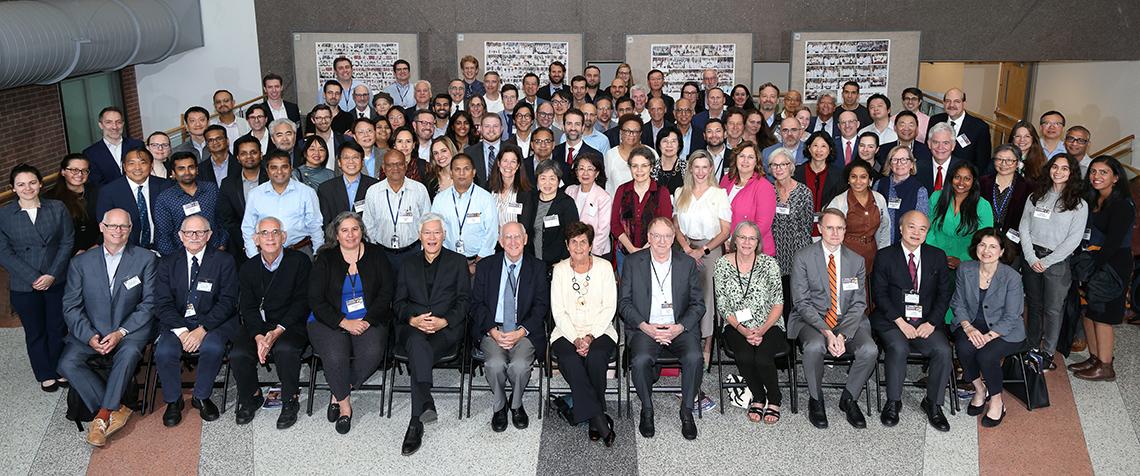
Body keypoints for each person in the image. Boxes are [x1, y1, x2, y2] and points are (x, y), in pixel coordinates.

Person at [58, 208, 156, 447]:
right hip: (90, 331)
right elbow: (71, 306)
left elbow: (150, 302)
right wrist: (90, 335)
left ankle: (102, 416)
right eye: (112, 226)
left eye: (124, 226)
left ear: (131, 230)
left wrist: (121, 332)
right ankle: (116, 409)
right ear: (102, 227)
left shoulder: (146, 258)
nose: (118, 231)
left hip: (129, 331)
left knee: (129, 354)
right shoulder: (80, 262)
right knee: (66, 363)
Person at [789, 209, 878, 430]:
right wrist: (828, 333)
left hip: (847, 320)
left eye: (840, 228)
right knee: (814, 347)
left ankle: (849, 398)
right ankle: (815, 399)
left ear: (846, 230)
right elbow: (801, 302)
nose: (835, 233)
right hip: (812, 319)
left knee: (869, 350)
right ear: (820, 229)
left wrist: (842, 334)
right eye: (830, 227)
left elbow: (859, 303)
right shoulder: (803, 257)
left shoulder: (856, 261)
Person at [308, 211, 394, 434]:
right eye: (344, 230)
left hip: (369, 317)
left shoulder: (376, 254)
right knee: (335, 356)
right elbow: (316, 300)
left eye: (355, 229)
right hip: (329, 319)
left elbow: (386, 292)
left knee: (372, 352)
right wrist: (343, 322)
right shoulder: (325, 258)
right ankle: (346, 408)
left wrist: (367, 320)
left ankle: (338, 391)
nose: (350, 234)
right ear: (336, 235)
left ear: (362, 231)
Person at [620, 217, 705, 440]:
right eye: (656, 236)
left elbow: (698, 304)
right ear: (648, 238)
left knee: (695, 357)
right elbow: (624, 303)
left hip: (679, 328)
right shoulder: (632, 262)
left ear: (673, 239)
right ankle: (647, 409)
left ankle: (686, 411)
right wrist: (645, 327)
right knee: (639, 361)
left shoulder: (686, 264)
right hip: (645, 328)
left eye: (667, 236)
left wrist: (680, 327)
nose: (661, 241)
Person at [393, 213, 471, 455]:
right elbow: (398, 303)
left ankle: (417, 418)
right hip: (413, 328)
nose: (432, 237)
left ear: (444, 235)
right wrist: (413, 320)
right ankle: (421, 410)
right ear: (419, 236)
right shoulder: (407, 264)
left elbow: (465, 301)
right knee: (417, 342)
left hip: (445, 330)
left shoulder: (458, 262)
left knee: (419, 350)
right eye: (427, 232)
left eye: (437, 232)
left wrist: (444, 321)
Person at [870, 211, 953, 431]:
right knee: (898, 347)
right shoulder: (885, 256)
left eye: (922, 229)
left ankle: (933, 403)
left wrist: (933, 322)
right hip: (892, 319)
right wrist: (900, 322)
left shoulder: (937, 256)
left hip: (926, 321)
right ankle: (893, 401)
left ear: (927, 232)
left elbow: (944, 294)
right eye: (911, 227)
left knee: (943, 351)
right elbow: (879, 294)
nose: (916, 233)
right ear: (901, 229)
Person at [153, 215, 238, 427]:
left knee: (213, 347)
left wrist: (202, 329)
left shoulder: (224, 261)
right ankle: (174, 400)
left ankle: (201, 396)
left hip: (212, 322)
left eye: (200, 232)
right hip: (177, 322)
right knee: (164, 351)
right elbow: (162, 303)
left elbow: (228, 302)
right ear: (180, 236)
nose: (194, 236)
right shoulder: (167, 263)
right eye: (189, 232)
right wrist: (182, 331)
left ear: (209, 235)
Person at [469, 222, 550, 432]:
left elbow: (542, 306)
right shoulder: (486, 266)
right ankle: (499, 405)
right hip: (492, 329)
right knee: (495, 365)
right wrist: (492, 331)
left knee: (519, 366)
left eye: (517, 237)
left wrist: (521, 331)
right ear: (500, 241)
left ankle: (516, 405)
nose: (513, 242)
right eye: (508, 237)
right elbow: (476, 304)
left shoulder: (538, 267)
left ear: (525, 240)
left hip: (524, 332)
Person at [0, 164, 74, 391]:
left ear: (41, 184)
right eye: (21, 184)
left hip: (56, 278)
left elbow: (67, 241)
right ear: (13, 188)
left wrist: (52, 274)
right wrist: (34, 277)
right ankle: (45, 373)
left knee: (57, 327)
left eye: (32, 182)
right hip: (24, 283)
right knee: (35, 330)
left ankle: (60, 368)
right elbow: (3, 251)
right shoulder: (4, 214)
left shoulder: (57, 207)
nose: (27, 188)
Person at [550, 222, 618, 445]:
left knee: (597, 357)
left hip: (600, 329)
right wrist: (576, 338)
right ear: (567, 245)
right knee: (570, 358)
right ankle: (598, 419)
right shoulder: (559, 270)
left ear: (590, 246)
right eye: (573, 242)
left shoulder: (604, 267)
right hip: (565, 331)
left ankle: (590, 416)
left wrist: (589, 336)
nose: (578, 246)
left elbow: (610, 307)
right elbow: (558, 311)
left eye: (583, 242)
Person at [713, 221, 788, 424]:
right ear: (734, 240)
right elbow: (722, 305)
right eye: (742, 237)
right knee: (745, 356)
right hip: (735, 325)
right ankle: (759, 396)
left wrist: (762, 329)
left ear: (758, 242)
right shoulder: (722, 265)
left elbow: (778, 303)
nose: (747, 242)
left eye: (752, 238)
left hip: (769, 324)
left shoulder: (769, 264)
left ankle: (774, 398)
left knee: (763, 358)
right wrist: (744, 330)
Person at [951, 228, 1026, 428]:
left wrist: (988, 336)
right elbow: (957, 303)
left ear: (1001, 252)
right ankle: (979, 389)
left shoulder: (1011, 277)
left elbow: (1012, 316)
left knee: (986, 355)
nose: (986, 250)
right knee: (964, 348)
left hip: (1004, 330)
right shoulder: (965, 269)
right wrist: (968, 328)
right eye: (982, 245)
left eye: (993, 246)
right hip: (971, 324)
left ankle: (997, 401)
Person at [1019, 153, 1087, 368]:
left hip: (1057, 262)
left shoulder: (1078, 204)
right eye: (1055, 167)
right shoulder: (1036, 196)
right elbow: (1023, 227)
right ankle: (1031, 347)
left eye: (1064, 168)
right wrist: (1030, 257)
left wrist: (1046, 262)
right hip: (1031, 258)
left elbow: (1073, 240)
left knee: (1053, 309)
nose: (1058, 172)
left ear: (1071, 173)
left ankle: (1047, 353)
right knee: (1034, 305)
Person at [1071, 156, 1135, 380]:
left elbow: (1114, 243)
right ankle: (1095, 357)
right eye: (1094, 172)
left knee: (1103, 316)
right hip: (1091, 263)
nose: (1096, 176)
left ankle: (1106, 366)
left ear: (1116, 177)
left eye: (1103, 172)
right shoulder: (1092, 199)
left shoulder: (1122, 205)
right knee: (1088, 312)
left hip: (1112, 265)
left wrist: (1094, 266)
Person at [672, 150, 731, 345]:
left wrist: (702, 250)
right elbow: (676, 226)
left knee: (706, 297)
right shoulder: (680, 192)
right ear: (690, 169)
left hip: (710, 249)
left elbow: (725, 232)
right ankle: (686, 339)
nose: (700, 171)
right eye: (696, 167)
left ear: (711, 169)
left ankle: (707, 345)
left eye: (705, 167)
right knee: (683, 294)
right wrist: (687, 249)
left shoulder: (719, 194)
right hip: (684, 248)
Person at [928, 161, 994, 323]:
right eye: (957, 177)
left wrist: (963, 261)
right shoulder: (937, 197)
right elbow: (928, 229)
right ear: (950, 178)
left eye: (967, 179)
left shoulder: (983, 206)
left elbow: (984, 241)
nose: (961, 183)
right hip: (935, 258)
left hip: (967, 261)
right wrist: (938, 256)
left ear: (974, 182)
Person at [241, 151, 324, 257]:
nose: (279, 171)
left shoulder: (307, 192)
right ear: (267, 170)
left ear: (291, 168)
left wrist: (318, 254)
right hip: (266, 253)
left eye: (284, 167)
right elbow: (248, 228)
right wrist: (254, 256)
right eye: (274, 167)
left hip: (300, 251)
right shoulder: (255, 194)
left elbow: (315, 226)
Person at [363, 149, 432, 270]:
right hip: (382, 254)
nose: (395, 168)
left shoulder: (419, 189)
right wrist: (374, 252)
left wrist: (423, 251)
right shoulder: (373, 191)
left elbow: (427, 222)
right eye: (390, 165)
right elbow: (368, 225)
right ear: (383, 167)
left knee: (411, 289)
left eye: (399, 164)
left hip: (413, 252)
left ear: (406, 165)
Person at [94, 148, 173, 251]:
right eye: (131, 163)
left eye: (142, 163)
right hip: (127, 250)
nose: (137, 168)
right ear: (124, 166)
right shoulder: (109, 191)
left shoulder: (166, 186)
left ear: (151, 165)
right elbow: (106, 226)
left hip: (163, 248)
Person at [768, 148, 814, 320]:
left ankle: (798, 338)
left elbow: (807, 226)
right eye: (775, 165)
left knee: (797, 300)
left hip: (798, 253)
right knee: (779, 300)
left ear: (791, 166)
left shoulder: (804, 192)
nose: (779, 168)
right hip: (775, 253)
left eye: (783, 164)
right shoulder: (768, 190)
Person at [153, 151, 227, 256]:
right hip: (182, 257)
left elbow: (223, 220)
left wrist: (222, 245)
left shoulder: (211, 189)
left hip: (214, 252)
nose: (187, 172)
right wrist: (175, 261)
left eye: (191, 167)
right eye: (181, 169)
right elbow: (163, 235)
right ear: (173, 173)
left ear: (197, 170)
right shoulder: (165, 199)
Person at [826, 161, 891, 272]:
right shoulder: (839, 202)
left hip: (872, 254)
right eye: (853, 177)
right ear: (848, 180)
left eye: (863, 177)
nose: (858, 181)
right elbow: (829, 232)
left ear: (870, 180)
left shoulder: (879, 199)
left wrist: (883, 255)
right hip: (846, 254)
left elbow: (885, 228)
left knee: (871, 287)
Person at [612, 146, 673, 256]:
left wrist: (645, 249)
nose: (639, 170)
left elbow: (666, 225)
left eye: (644, 166)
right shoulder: (622, 190)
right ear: (630, 168)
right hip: (625, 253)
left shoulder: (662, 192)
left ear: (652, 167)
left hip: (654, 252)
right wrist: (631, 249)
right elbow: (615, 224)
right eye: (635, 166)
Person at [719, 141, 776, 255]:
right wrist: (722, 239)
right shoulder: (726, 179)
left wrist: (736, 242)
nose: (745, 161)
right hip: (726, 249)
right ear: (736, 158)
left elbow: (763, 224)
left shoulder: (764, 186)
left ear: (756, 162)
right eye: (742, 156)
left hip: (755, 251)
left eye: (750, 157)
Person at [218, 136, 269, 264]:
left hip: (274, 240)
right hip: (242, 247)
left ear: (261, 155)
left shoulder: (271, 178)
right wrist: (248, 241)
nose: (249, 157)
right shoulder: (228, 184)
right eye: (243, 153)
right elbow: (227, 219)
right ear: (238, 158)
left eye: (253, 152)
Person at [523, 161, 579, 264]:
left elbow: (573, 234)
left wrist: (563, 261)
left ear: (558, 181)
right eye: (543, 178)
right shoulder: (531, 199)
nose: (547, 183)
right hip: (531, 260)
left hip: (557, 262)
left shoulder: (567, 203)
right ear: (537, 180)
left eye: (552, 178)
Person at [46, 154, 100, 255]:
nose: (80, 174)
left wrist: (98, 244)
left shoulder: (98, 191)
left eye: (84, 170)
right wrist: (74, 250)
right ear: (63, 172)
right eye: (74, 170)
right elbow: (52, 232)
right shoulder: (50, 198)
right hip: (68, 253)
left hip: (99, 249)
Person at [875, 145, 930, 244]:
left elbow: (921, 223)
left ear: (912, 164)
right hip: (880, 242)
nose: (899, 163)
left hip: (906, 244)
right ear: (890, 164)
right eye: (895, 159)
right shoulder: (879, 184)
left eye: (904, 159)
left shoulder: (919, 190)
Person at [317, 142, 380, 228]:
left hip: (367, 239)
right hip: (336, 239)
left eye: (355, 157)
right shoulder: (326, 189)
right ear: (339, 162)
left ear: (362, 162)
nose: (351, 161)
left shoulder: (375, 186)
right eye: (346, 158)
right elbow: (325, 223)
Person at [929, 88, 992, 172]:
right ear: (943, 103)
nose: (951, 105)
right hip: (937, 174)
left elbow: (982, 163)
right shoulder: (935, 120)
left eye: (957, 101)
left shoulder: (980, 127)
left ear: (964, 103)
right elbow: (929, 149)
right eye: (948, 101)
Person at [565, 152, 613, 259]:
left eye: (590, 169)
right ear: (576, 172)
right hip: (573, 250)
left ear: (596, 174)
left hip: (596, 251)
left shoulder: (603, 197)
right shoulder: (569, 191)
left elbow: (604, 230)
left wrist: (590, 252)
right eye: (581, 169)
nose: (585, 173)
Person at [979, 145, 1031, 243]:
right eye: (999, 159)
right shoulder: (982, 182)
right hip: (983, 237)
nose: (1003, 164)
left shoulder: (1027, 187)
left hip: (1012, 241)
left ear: (1018, 163)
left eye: (1009, 160)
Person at [84, 106, 145, 186]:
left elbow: (144, 171)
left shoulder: (137, 145)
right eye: (109, 122)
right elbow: (96, 183)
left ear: (123, 124)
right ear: (101, 125)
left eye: (118, 122)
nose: (114, 127)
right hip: (109, 197)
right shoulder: (90, 153)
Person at [795, 132, 845, 228]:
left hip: (828, 227)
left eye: (823, 146)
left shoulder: (839, 175)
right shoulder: (797, 173)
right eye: (815, 146)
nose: (819, 150)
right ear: (809, 148)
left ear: (830, 149)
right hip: (800, 227)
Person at [605, 114, 658, 197]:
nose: (631, 134)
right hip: (617, 204)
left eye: (635, 131)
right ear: (621, 132)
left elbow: (656, 182)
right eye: (627, 131)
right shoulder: (611, 155)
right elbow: (607, 184)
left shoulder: (651, 153)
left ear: (640, 133)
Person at [488, 145, 535, 228]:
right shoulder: (488, 188)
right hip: (492, 239)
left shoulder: (526, 192)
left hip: (515, 239)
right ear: (499, 163)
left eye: (513, 162)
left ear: (518, 166)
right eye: (505, 161)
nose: (508, 165)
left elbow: (525, 225)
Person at [919, 122, 965, 193]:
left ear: (953, 145)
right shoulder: (918, 168)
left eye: (945, 143)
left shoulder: (964, 169)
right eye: (936, 142)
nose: (940, 147)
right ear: (929, 144)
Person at [1010, 120, 1048, 184]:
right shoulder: (1001, 158)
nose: (1022, 140)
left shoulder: (1041, 162)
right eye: (1018, 136)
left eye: (1027, 136)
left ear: (1033, 139)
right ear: (1012, 139)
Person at [652, 126, 687, 194]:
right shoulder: (651, 168)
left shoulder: (687, 168)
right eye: (665, 141)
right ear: (659, 145)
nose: (669, 145)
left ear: (679, 145)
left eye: (673, 141)